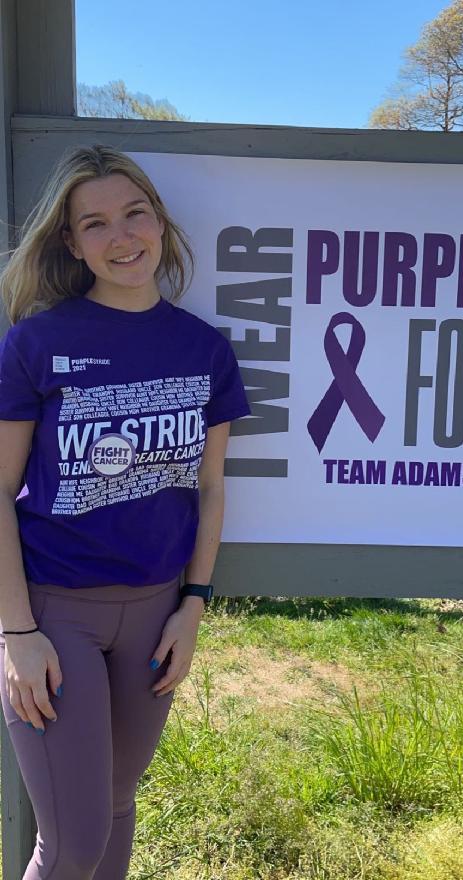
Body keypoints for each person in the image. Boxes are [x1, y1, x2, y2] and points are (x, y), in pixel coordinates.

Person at [0, 143, 251, 879]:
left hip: (154, 616)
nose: (122, 237)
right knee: (71, 845)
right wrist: (17, 633)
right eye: (97, 224)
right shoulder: (36, 344)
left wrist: (192, 607)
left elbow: (210, 488)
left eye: (135, 213)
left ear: (160, 222)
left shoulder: (204, 349)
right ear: (73, 243)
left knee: (115, 807)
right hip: (55, 614)